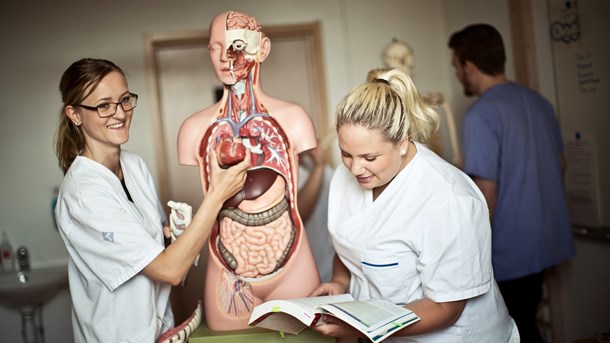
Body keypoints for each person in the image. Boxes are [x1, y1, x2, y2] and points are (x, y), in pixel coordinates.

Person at [311, 68, 518, 342]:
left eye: (369, 157)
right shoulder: (345, 177)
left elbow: (446, 307)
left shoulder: (449, 200)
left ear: (403, 143)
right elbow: (351, 246)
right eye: (346, 154)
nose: (356, 168)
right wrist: (339, 282)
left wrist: (366, 328)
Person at [53, 58, 249, 342]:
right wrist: (217, 195)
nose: (119, 113)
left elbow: (160, 247)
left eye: (124, 100)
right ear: (75, 115)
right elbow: (168, 270)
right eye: (104, 105)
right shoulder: (84, 194)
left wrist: (175, 235)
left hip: (159, 329)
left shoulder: (134, 166)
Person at [177, 11, 320, 330]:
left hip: (293, 266)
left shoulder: (294, 119)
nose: (227, 57)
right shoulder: (193, 130)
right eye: (216, 47)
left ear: (263, 49)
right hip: (227, 272)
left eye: (238, 45)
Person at [448, 24, 576, 342]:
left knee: (514, 330)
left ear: (469, 66)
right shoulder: (539, 102)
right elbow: (561, 164)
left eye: (456, 67)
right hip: (547, 241)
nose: (457, 75)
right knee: (529, 318)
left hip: (510, 251)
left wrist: (464, 252)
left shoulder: (481, 114)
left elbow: (485, 193)